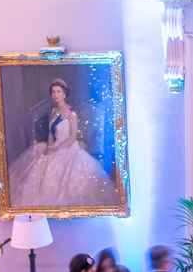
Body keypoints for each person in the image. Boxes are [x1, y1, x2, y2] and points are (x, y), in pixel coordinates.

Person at [9, 78, 118, 207]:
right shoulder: (54, 111)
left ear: (64, 94)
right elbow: (51, 132)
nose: (55, 94)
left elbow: (72, 137)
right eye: (53, 91)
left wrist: (55, 149)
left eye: (58, 91)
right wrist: (49, 147)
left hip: (69, 147)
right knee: (40, 164)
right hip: (55, 145)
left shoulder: (71, 113)